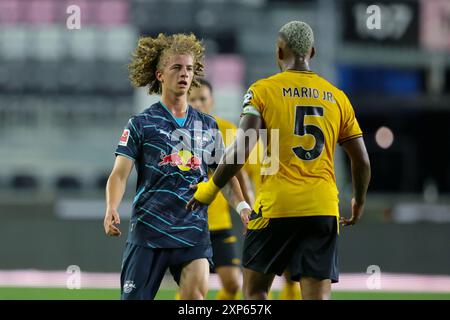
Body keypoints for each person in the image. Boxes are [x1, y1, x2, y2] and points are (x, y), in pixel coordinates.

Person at [187, 21, 371, 300]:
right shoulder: (338, 97)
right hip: (322, 207)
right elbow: (362, 162)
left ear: (279, 51)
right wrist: (358, 200)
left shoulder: (262, 91)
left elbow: (241, 149)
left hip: (276, 207)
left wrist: (210, 190)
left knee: (256, 293)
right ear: (312, 51)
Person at [103, 33, 251, 300]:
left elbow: (225, 177)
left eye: (190, 69)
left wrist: (242, 207)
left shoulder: (208, 125)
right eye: (177, 68)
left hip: (192, 232)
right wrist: (112, 206)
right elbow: (119, 173)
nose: (185, 74)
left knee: (195, 300)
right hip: (149, 232)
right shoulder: (141, 124)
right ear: (160, 74)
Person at [188, 79, 254, 300]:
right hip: (189, 223)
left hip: (219, 222)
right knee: (193, 287)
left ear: (212, 101)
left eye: (202, 99)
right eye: (192, 99)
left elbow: (240, 173)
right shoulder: (179, 132)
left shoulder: (227, 130)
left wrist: (248, 206)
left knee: (233, 283)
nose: (197, 103)